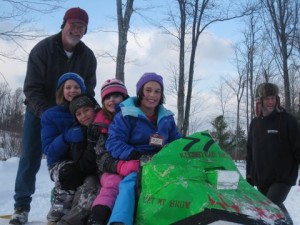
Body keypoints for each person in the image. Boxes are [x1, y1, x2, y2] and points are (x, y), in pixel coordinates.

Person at [9, 7, 97, 225]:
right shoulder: (43, 50)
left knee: (72, 159)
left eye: (81, 27)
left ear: (85, 31)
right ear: (64, 24)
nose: (76, 30)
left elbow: (89, 91)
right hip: (39, 112)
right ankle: (21, 206)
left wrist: (91, 113)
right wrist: (48, 113)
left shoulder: (87, 57)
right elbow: (31, 88)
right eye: (73, 24)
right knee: (30, 156)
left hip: (72, 115)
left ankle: (68, 202)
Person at [105, 72, 182, 225]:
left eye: (157, 91)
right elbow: (113, 142)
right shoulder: (126, 114)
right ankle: (119, 221)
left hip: (162, 162)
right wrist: (134, 154)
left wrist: (179, 151)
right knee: (130, 184)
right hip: (136, 162)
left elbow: (177, 141)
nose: (152, 95)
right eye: (148, 90)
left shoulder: (167, 118)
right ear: (140, 91)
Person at [68, 79, 140, 225]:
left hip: (136, 164)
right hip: (109, 168)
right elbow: (100, 156)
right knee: (112, 183)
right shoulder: (100, 126)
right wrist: (119, 165)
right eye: (107, 97)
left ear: (124, 98)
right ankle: (97, 218)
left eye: (116, 96)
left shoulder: (134, 117)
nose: (111, 100)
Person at [41, 72, 94, 225]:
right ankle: (55, 217)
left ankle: (77, 217)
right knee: (70, 172)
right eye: (68, 87)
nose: (72, 90)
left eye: (77, 87)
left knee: (91, 182)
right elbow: (48, 149)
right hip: (60, 164)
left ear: (82, 90)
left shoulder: (90, 110)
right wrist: (65, 137)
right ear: (61, 91)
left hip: (84, 159)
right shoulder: (50, 115)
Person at [246, 82, 300, 225]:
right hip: (262, 179)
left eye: (273, 98)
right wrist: (249, 174)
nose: (271, 102)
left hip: (283, 178)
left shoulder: (288, 120)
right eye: (267, 98)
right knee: (274, 210)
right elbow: (250, 151)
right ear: (260, 100)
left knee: (268, 208)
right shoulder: (255, 123)